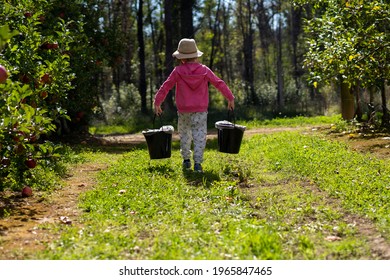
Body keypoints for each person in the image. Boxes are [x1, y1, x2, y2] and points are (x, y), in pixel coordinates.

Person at [153, 38, 235, 172]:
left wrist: (157, 102)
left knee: (185, 135)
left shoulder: (178, 71)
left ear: (182, 58)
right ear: (196, 56)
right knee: (199, 136)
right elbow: (218, 83)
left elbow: (166, 86)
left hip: (183, 110)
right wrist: (230, 97)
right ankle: (197, 163)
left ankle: (186, 160)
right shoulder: (204, 70)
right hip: (200, 110)